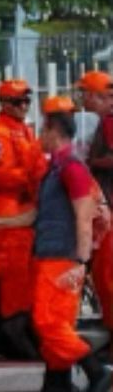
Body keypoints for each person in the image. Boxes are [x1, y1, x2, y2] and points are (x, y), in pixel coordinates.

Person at [26, 96, 113, 392]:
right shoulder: (57, 168)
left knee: (48, 323)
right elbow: (38, 215)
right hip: (51, 255)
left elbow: (83, 216)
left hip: (62, 259)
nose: (38, 136)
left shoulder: (71, 168)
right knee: (57, 325)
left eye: (42, 130)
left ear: (54, 131)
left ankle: (96, 372)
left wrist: (81, 262)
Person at [0, 78, 47, 358]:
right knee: (13, 277)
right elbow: (2, 175)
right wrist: (36, 177)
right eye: (19, 101)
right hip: (6, 211)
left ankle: (22, 330)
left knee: (27, 277)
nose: (24, 106)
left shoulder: (25, 131)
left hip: (24, 210)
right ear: (4, 103)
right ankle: (13, 331)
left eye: (27, 101)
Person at [78, 70, 113, 339]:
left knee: (107, 278)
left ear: (95, 96)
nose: (81, 99)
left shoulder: (109, 122)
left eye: (84, 93)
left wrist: (89, 163)